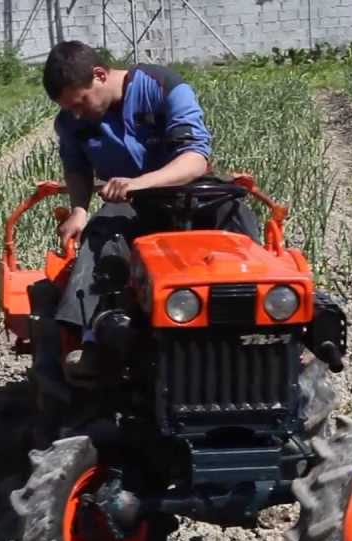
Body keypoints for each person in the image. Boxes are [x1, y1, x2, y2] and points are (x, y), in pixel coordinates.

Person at [38, 40, 260, 386]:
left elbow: (194, 158)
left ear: (99, 75)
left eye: (80, 102)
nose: (77, 113)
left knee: (235, 214)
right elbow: (77, 169)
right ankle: (92, 338)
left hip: (188, 191)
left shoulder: (161, 86)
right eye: (70, 109)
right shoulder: (71, 121)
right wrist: (79, 209)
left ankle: (268, 319)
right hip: (135, 205)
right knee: (102, 232)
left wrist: (141, 182)